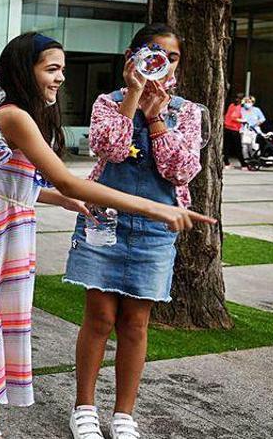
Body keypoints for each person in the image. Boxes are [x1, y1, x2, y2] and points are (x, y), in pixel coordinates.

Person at [0, 32, 215, 439]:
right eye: (52, 69)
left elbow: (12, 183)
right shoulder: (16, 115)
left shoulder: (23, 113)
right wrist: (154, 207)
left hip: (9, 229)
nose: (60, 78)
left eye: (62, 69)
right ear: (27, 70)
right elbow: (66, 179)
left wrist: (62, 201)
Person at [64, 24, 204, 439]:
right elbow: (108, 148)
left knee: (136, 322)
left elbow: (180, 169)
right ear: (132, 56)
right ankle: (84, 408)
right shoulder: (107, 102)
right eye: (153, 52)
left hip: (156, 228)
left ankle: (124, 414)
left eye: (172, 56)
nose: (162, 61)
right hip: (104, 217)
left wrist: (156, 117)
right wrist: (131, 97)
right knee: (100, 316)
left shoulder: (189, 112)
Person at [223, 93, 244, 168]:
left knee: (227, 147)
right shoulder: (238, 107)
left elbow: (227, 116)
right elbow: (234, 117)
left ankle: (226, 162)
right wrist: (243, 121)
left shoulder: (231, 105)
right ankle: (243, 164)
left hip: (227, 127)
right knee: (238, 147)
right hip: (234, 129)